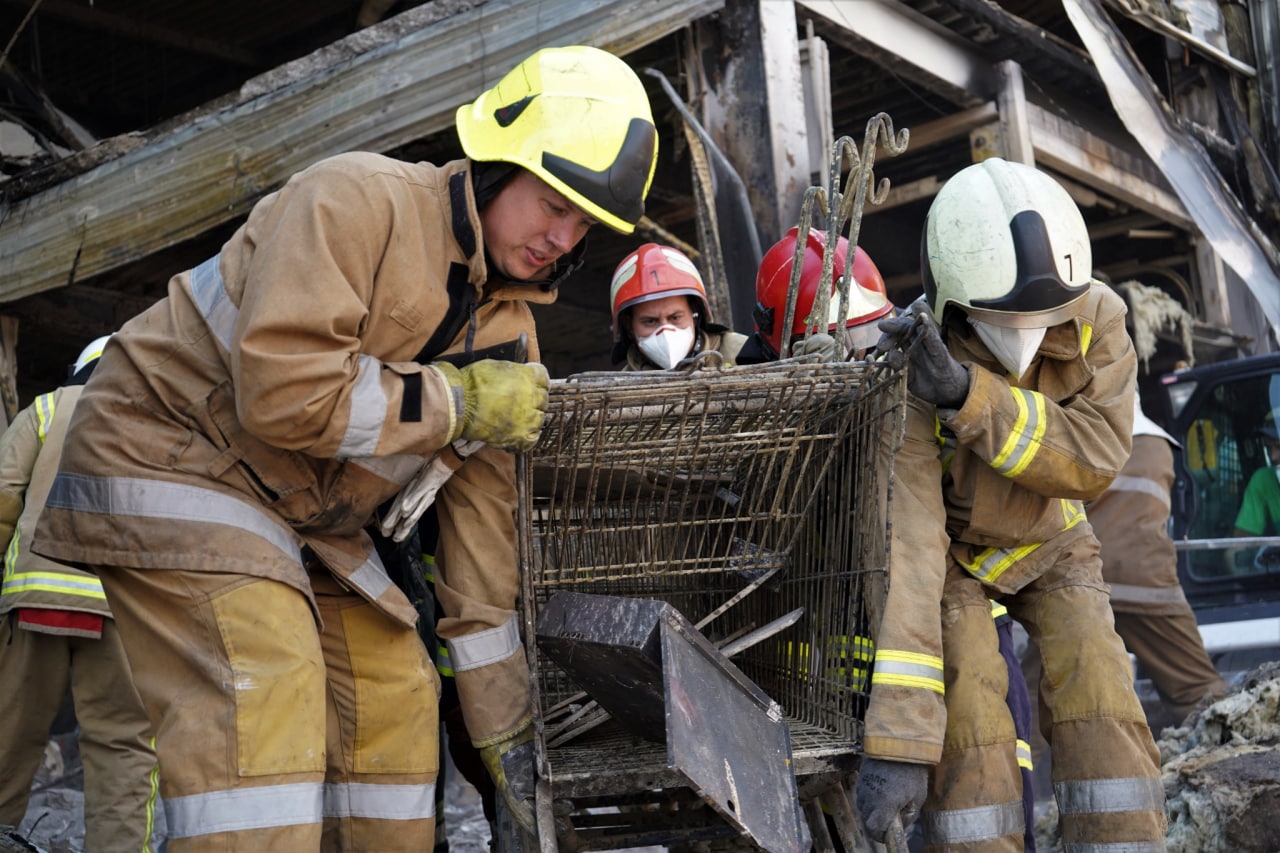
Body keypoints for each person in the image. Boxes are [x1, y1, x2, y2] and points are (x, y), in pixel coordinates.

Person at [30, 44, 658, 850]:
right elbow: (284, 392)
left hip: (306, 519)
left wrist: (506, 732)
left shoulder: (511, 340)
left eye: (584, 226)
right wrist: (455, 401)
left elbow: (481, 558)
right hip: (172, 451)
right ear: (495, 164)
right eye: (551, 202)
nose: (559, 238)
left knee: (395, 691)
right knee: (267, 687)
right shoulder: (356, 201)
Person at [855, 158, 1166, 850]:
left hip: (1053, 539)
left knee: (1100, 692)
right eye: (1006, 318)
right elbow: (909, 551)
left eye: (1045, 318)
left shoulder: (1100, 320)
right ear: (955, 302)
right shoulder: (908, 370)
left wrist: (971, 396)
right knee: (972, 729)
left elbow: (1092, 460)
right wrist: (899, 744)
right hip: (955, 563)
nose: (1027, 336)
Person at [0, 336, 159, 852]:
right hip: (123, 607)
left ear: (79, 368)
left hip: (34, 598)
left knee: (7, 734)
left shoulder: (47, 407)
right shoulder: (162, 420)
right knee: (125, 745)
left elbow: (3, 495)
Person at [1091, 397, 1229, 730]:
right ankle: (1237, 754)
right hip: (1149, 587)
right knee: (1199, 693)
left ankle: (1022, 777)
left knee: (1035, 697)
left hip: (1082, 580)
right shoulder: (1157, 448)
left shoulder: (1083, 440)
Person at [739, 225, 893, 364]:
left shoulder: (890, 335)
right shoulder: (745, 387)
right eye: (839, 340)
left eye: (866, 335)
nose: (857, 351)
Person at [609, 243, 747, 369]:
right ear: (629, 326)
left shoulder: (742, 353)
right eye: (650, 321)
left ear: (694, 313)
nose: (665, 333)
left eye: (675, 317)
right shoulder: (622, 388)